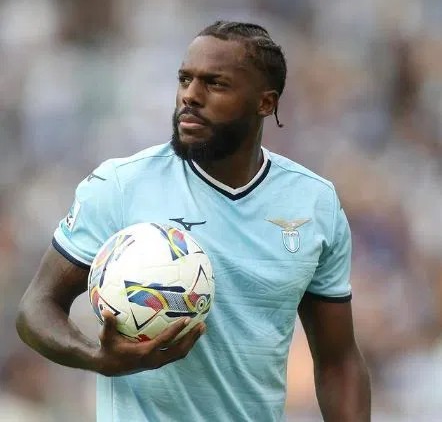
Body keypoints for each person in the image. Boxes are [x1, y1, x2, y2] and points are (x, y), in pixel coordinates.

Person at [16, 21, 371, 421]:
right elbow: (36, 308)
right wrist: (96, 358)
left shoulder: (314, 203)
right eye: (185, 79)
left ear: (265, 103)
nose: (190, 95)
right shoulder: (120, 185)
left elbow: (339, 362)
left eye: (215, 84)